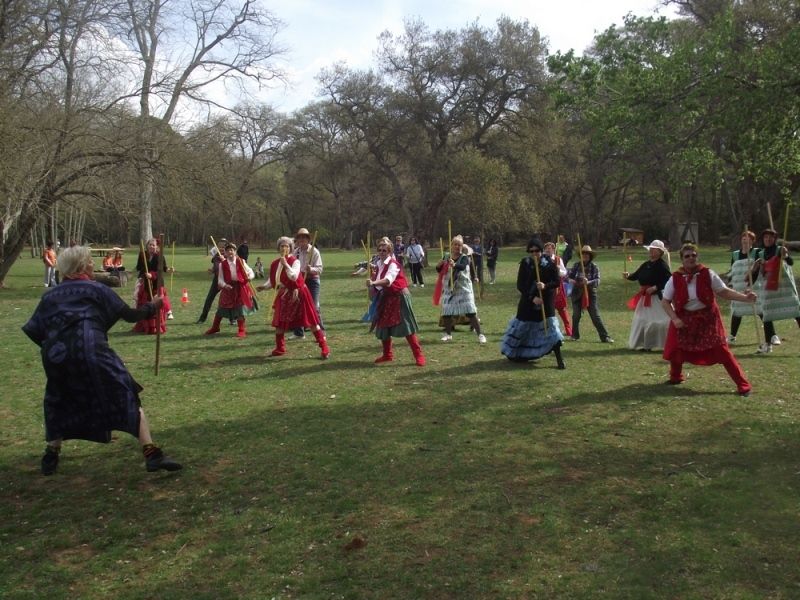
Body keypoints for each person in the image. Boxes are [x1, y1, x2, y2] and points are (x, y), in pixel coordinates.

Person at [22, 245, 182, 475]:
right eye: (88, 262)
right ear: (81, 266)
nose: (91, 265)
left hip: (56, 356)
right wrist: (153, 306)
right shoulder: (97, 289)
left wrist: (58, 350)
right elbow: (129, 315)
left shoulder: (49, 296)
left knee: (59, 397)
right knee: (126, 392)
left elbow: (34, 330)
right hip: (92, 351)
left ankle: (51, 453)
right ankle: (151, 453)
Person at [661, 243, 757, 396]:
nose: (691, 258)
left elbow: (724, 292)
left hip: (708, 319)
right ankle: (675, 376)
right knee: (676, 348)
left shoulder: (707, 273)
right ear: (682, 260)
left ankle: (743, 385)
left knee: (723, 351)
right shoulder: (675, 278)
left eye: (694, 255)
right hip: (684, 319)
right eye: (687, 256)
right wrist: (674, 318)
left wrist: (746, 298)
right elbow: (665, 301)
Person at [257, 237, 329, 359]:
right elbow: (273, 280)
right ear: (278, 248)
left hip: (299, 294)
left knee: (311, 321)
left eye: (286, 246)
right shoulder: (275, 263)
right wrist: (264, 287)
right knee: (279, 322)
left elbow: (294, 276)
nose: (284, 248)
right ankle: (280, 348)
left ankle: (324, 347)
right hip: (284, 295)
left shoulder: (295, 261)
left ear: (290, 248)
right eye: (281, 246)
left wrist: (285, 265)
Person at [500, 238, 566, 368]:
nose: (534, 253)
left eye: (537, 251)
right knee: (522, 329)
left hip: (545, 301)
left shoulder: (549, 263)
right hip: (528, 301)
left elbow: (557, 282)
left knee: (550, 329)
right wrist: (532, 298)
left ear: (541, 251)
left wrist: (545, 285)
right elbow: (520, 285)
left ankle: (559, 359)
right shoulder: (525, 263)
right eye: (531, 251)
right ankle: (515, 353)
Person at [368, 237, 426, 366]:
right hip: (386, 298)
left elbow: (388, 280)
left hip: (399, 297)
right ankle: (387, 355)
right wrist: (372, 284)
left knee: (407, 328)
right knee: (383, 327)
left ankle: (418, 355)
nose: (382, 252)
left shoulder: (393, 264)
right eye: (380, 250)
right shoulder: (378, 264)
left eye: (385, 250)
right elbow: (377, 286)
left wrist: (373, 282)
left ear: (389, 251)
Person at [751, 228, 800, 353]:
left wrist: (786, 255)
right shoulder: (760, 254)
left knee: (796, 313)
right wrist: (755, 268)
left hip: (785, 287)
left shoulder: (780, 250)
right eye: (766, 237)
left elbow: (791, 262)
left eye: (771, 237)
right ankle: (768, 345)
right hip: (768, 289)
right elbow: (755, 275)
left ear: (775, 239)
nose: (768, 239)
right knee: (767, 315)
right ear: (763, 239)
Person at [435, 235, 486, 344]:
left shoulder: (464, 257)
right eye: (455, 244)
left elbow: (462, 266)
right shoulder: (446, 256)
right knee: (447, 312)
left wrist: (455, 265)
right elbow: (440, 270)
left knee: (471, 312)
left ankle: (480, 334)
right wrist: (438, 266)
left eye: (459, 245)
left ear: (462, 246)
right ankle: (448, 334)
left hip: (463, 288)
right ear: (451, 245)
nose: (457, 247)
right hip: (449, 288)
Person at [623, 239, 672, 351]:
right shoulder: (646, 264)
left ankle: (666, 344)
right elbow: (637, 275)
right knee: (642, 320)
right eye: (651, 249)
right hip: (644, 298)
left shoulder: (662, 266)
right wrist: (628, 275)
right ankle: (646, 345)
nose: (651, 251)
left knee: (662, 321)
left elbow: (668, 279)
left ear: (660, 252)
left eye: (654, 249)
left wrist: (655, 287)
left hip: (657, 298)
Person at [204, 242, 255, 338]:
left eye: (232, 250)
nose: (230, 252)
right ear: (225, 253)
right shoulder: (222, 265)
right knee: (220, 309)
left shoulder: (241, 261)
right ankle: (215, 327)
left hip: (240, 288)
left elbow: (250, 272)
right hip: (228, 289)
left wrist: (250, 277)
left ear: (235, 252)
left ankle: (241, 330)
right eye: (228, 250)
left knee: (240, 310)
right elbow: (220, 280)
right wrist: (225, 285)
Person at [567, 245, 614, 343]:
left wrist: (588, 282)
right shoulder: (576, 265)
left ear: (590, 256)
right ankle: (574, 335)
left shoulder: (594, 266)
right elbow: (568, 277)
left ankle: (605, 337)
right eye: (583, 254)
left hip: (590, 294)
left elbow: (597, 280)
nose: (585, 256)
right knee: (576, 315)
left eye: (587, 254)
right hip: (576, 293)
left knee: (595, 316)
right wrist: (571, 280)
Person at [133, 238, 172, 333]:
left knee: (156, 305)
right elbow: (139, 267)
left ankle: (155, 327)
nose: (152, 247)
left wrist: (153, 274)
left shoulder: (160, 256)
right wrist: (143, 275)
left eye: (154, 245)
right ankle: (144, 326)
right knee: (144, 304)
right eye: (150, 245)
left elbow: (162, 270)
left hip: (157, 284)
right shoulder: (142, 255)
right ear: (147, 246)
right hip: (146, 284)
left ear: (157, 247)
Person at [726, 230, 758, 343]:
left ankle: (772, 335)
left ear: (752, 241)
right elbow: (732, 270)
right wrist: (729, 283)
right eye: (743, 237)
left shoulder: (757, 252)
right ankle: (732, 336)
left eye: (748, 237)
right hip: (738, 286)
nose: (745, 239)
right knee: (737, 311)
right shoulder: (735, 254)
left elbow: (760, 266)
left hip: (753, 286)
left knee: (760, 310)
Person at [291, 228, 324, 338]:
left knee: (314, 307)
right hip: (300, 280)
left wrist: (311, 269)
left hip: (312, 280)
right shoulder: (296, 252)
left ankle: (321, 333)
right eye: (299, 238)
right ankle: (299, 333)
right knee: (298, 305)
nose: (301, 240)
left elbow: (320, 269)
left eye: (304, 238)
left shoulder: (314, 251)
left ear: (308, 239)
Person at [543, 241, 572, 337]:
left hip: (557, 288)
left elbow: (564, 272)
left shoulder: (558, 259)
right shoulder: (541, 259)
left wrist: (559, 270)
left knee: (562, 309)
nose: (548, 250)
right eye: (546, 249)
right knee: (546, 309)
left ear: (553, 250)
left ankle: (569, 330)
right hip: (545, 287)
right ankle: (547, 329)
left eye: (550, 248)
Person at [197, 239, 224, 324]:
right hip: (217, 280)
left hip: (227, 280)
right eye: (220, 247)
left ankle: (233, 319)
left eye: (223, 247)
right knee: (209, 299)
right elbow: (215, 266)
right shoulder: (216, 256)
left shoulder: (228, 256)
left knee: (229, 300)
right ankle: (202, 318)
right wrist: (212, 270)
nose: (221, 249)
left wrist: (224, 260)